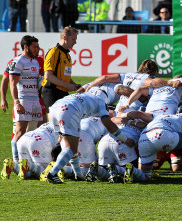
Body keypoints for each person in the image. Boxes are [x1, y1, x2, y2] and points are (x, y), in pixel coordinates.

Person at [40, 92, 135, 184]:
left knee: (73, 146)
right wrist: (125, 139)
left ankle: (78, 175)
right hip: (68, 110)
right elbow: (108, 123)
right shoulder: (101, 102)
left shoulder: (87, 96)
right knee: (71, 148)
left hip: (54, 109)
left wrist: (60, 135)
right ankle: (52, 173)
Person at [124, 113, 182, 183]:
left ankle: (129, 170)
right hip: (161, 134)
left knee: (145, 176)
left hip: (144, 139)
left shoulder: (158, 117)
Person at [9, 36, 42, 165]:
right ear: (26, 47)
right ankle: (16, 162)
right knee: (19, 131)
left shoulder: (35, 62)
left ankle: (27, 161)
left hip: (35, 100)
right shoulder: (18, 61)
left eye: (38, 47)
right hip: (24, 100)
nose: (37, 49)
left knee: (33, 132)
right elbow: (12, 83)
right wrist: (17, 102)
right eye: (35, 47)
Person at [41, 27, 81, 114]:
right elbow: (48, 76)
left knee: (68, 116)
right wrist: (67, 85)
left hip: (62, 91)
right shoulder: (54, 52)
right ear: (65, 38)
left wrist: (74, 85)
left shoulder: (67, 55)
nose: (75, 42)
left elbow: (64, 75)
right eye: (73, 39)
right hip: (51, 91)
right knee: (54, 120)